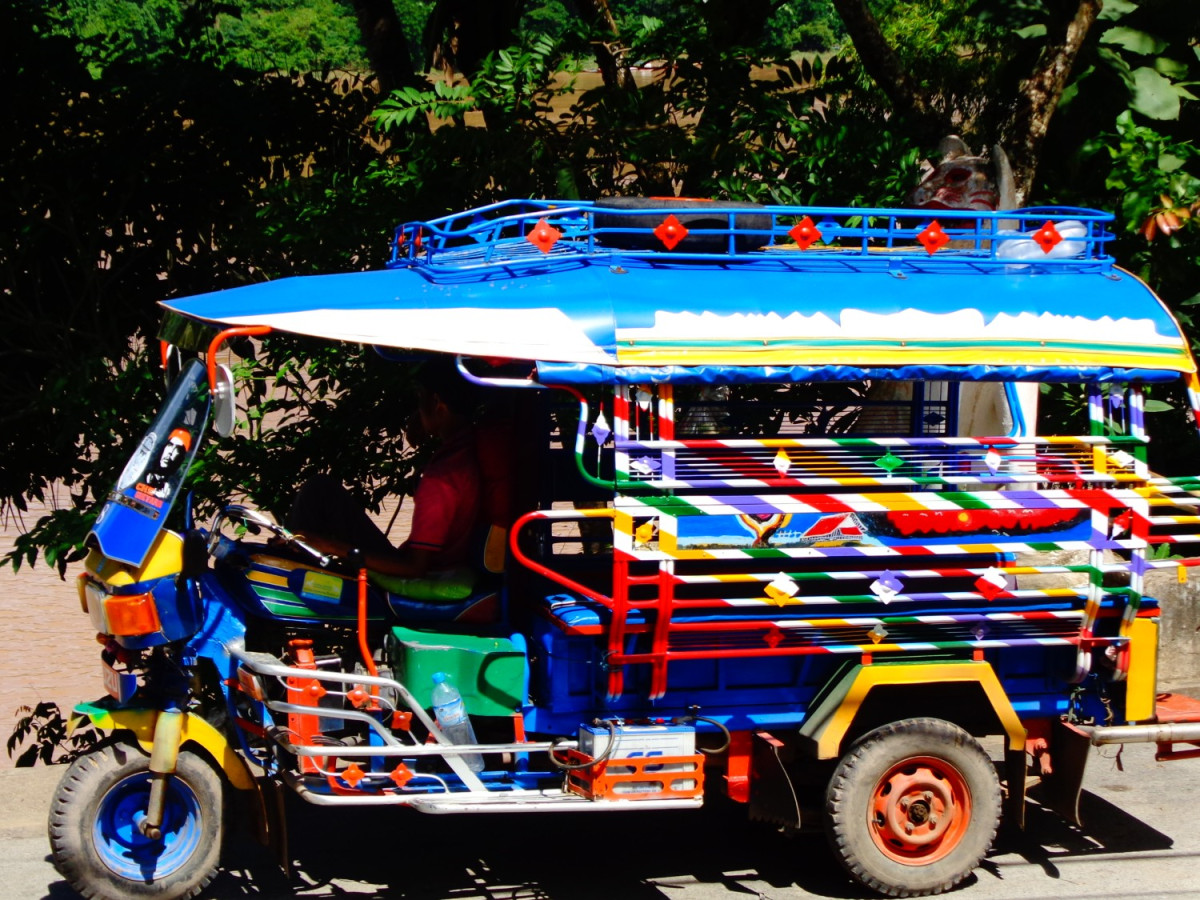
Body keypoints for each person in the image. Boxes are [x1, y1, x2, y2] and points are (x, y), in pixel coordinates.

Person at [287, 358, 482, 585]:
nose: (417, 409)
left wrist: (328, 545)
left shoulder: (442, 478)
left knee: (318, 490)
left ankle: (287, 565)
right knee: (320, 489)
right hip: (439, 561)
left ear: (438, 403)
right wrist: (428, 421)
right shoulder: (468, 447)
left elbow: (415, 568)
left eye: (420, 398)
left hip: (420, 570)